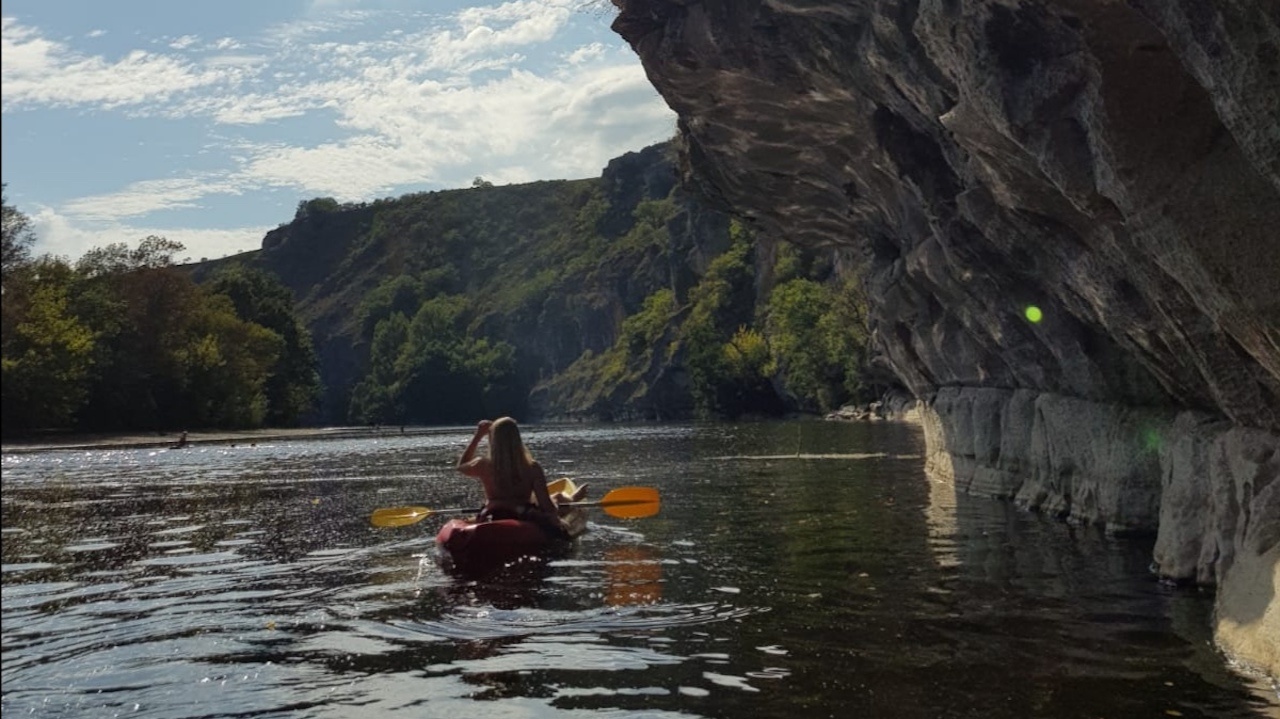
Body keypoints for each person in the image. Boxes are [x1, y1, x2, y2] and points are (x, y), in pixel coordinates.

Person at [456, 417, 579, 538]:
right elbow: (545, 505)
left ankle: (571, 498)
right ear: (517, 438)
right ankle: (572, 499)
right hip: (523, 515)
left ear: (494, 439)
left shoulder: (482, 464)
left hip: (492, 514)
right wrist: (556, 513)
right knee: (555, 504)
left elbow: (461, 466)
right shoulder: (532, 467)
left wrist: (478, 436)